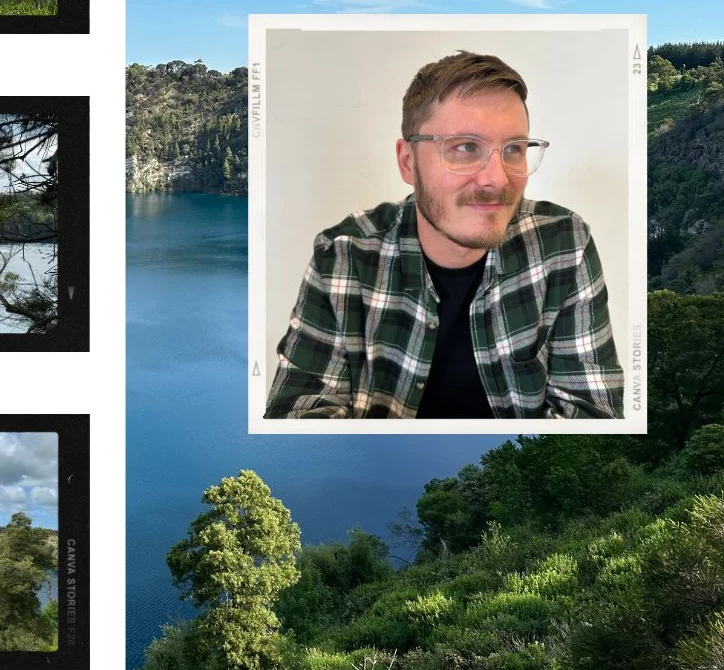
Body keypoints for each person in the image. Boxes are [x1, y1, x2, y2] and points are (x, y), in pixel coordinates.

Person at [265, 51, 623, 420]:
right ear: (408, 162)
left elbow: (591, 416)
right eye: (465, 147)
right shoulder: (343, 257)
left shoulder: (565, 244)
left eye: (514, 149)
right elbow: (298, 419)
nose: (497, 179)